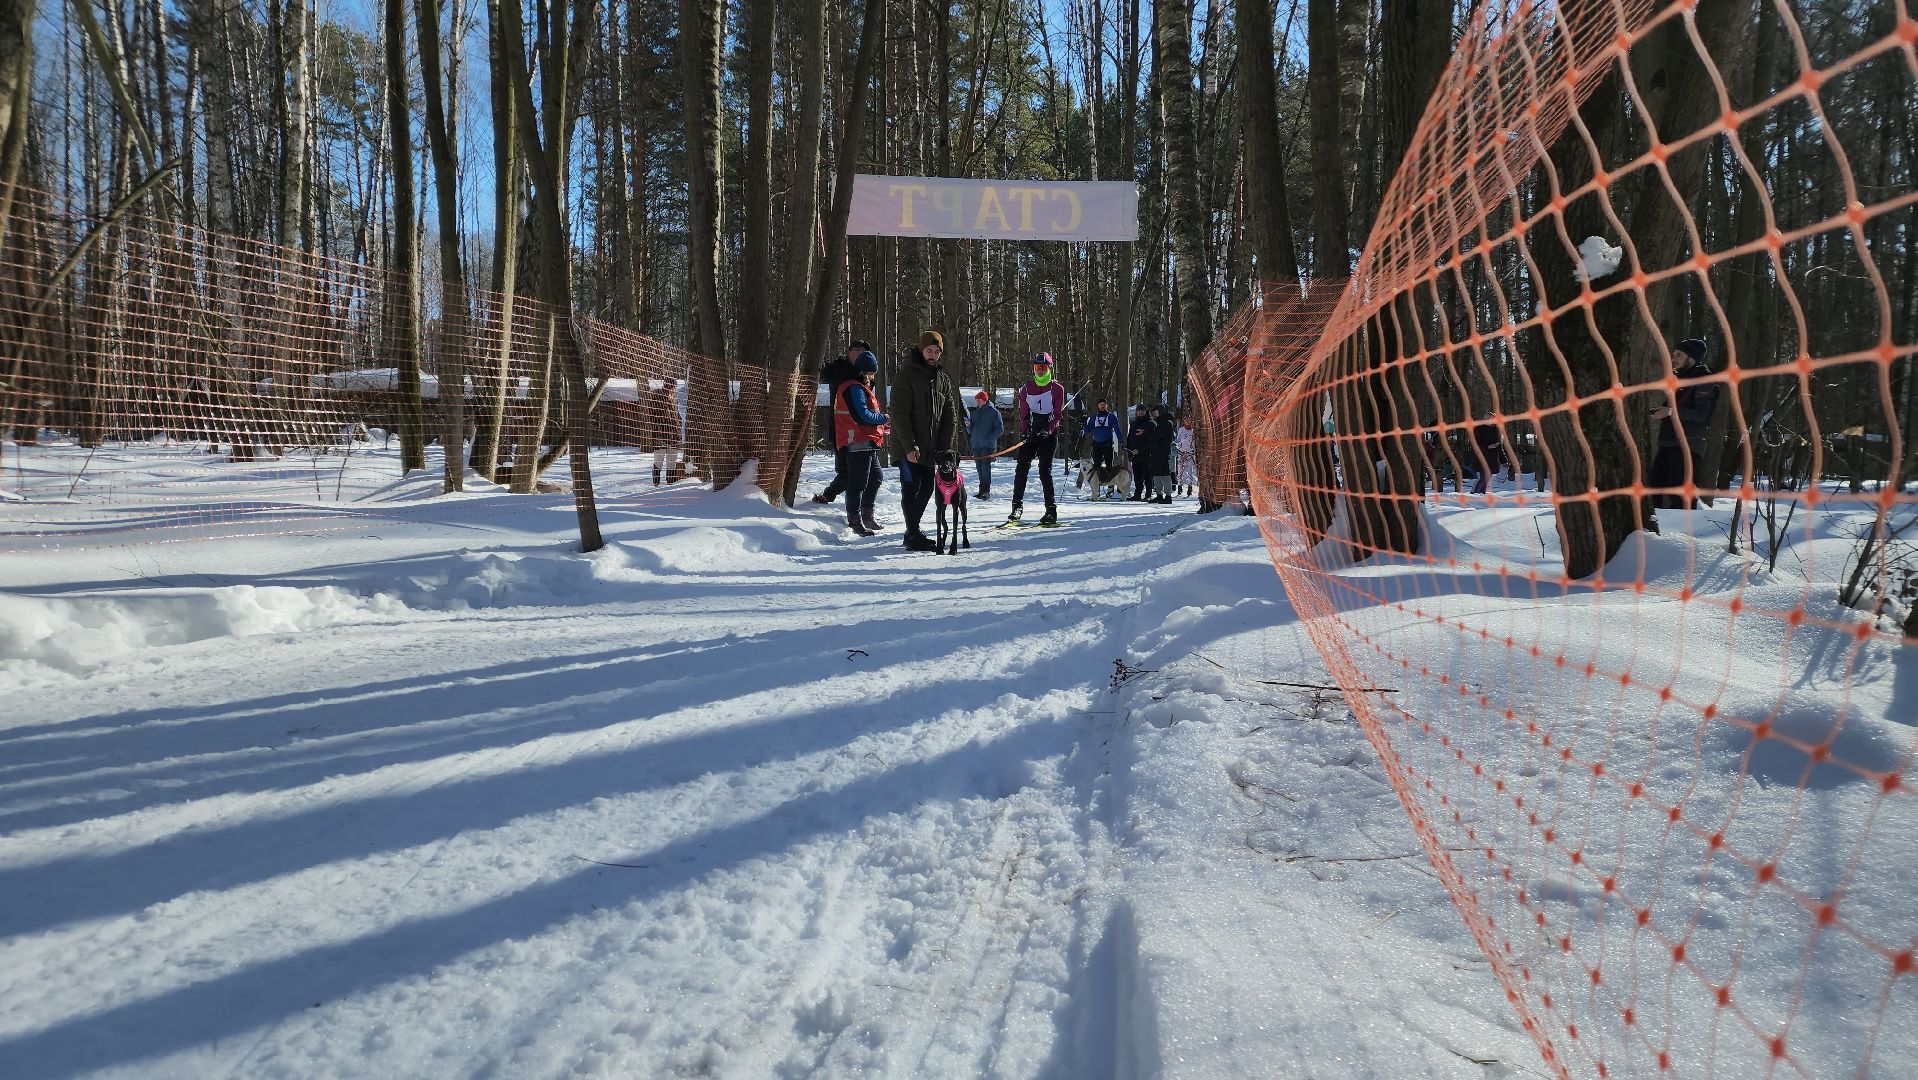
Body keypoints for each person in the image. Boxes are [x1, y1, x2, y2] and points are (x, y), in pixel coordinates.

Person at [891, 330, 965, 551]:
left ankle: (911, 531)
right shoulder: (906, 375)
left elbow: (950, 415)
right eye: (929, 350)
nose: (932, 355)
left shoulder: (942, 379)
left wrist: (944, 448)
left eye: (937, 351)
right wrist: (909, 446)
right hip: (906, 448)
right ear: (921, 350)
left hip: (930, 450)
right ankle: (913, 534)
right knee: (911, 488)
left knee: (926, 489)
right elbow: (899, 413)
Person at [1649, 337, 1721, 510]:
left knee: (1680, 494)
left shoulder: (1704, 381)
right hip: (1668, 442)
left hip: (1688, 445)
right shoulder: (1679, 379)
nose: (1673, 358)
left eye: (1679, 355)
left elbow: (1702, 415)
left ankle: (1681, 534)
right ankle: (1653, 530)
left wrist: (1670, 412)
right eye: (1674, 354)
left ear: (1692, 358)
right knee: (1653, 488)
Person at [833, 350, 889, 536]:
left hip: (866, 441)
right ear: (862, 372)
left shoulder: (858, 387)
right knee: (858, 483)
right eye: (870, 374)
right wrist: (883, 418)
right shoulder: (854, 388)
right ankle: (854, 520)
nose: (871, 378)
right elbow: (862, 415)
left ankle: (867, 515)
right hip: (856, 440)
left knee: (875, 477)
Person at [1006, 353, 1066, 524]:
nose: (1040, 371)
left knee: (1044, 470)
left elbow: (1057, 415)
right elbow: (1023, 415)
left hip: (1049, 434)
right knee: (1021, 468)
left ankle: (1051, 511)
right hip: (1031, 434)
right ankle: (1016, 507)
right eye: (1037, 368)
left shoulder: (1057, 389)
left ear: (1049, 369)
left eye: (1043, 368)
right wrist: (1025, 432)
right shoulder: (1026, 389)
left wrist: (1048, 430)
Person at [812, 339, 870, 504]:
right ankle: (830, 497)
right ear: (849, 352)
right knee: (846, 472)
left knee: (862, 473)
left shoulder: (864, 374)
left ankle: (857, 507)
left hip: (860, 431)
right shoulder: (840, 369)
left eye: (864, 352)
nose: (860, 354)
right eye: (857, 350)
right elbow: (823, 375)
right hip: (840, 428)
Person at [967, 390, 1003, 499]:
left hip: (987, 446)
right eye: (976, 400)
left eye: (979, 400)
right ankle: (981, 491)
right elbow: (971, 431)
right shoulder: (974, 413)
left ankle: (986, 491)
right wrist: (968, 426)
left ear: (984, 400)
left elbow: (1000, 429)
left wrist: (989, 439)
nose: (977, 402)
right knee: (979, 468)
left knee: (985, 468)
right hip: (976, 445)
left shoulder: (994, 412)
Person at [646, 377, 681, 485]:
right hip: (660, 435)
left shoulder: (672, 399)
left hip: (672, 435)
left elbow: (675, 419)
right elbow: (653, 416)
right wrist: (660, 430)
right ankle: (656, 483)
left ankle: (670, 482)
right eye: (673, 387)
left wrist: (677, 433)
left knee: (672, 459)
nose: (674, 389)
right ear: (669, 386)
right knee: (659, 459)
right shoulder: (658, 397)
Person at [1082, 400, 1121, 476]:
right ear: (1098, 406)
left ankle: (1110, 486)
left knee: (1109, 465)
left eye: (1104, 404)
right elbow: (1087, 430)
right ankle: (1098, 485)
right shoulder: (1094, 417)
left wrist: (1121, 441)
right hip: (1096, 445)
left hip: (1108, 444)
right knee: (1096, 466)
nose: (1102, 406)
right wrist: (1084, 424)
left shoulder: (1111, 417)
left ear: (1107, 406)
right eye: (1101, 404)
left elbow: (1117, 430)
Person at [1125, 405, 1154, 501]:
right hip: (1134, 455)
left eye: (1142, 410)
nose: (1140, 412)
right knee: (1137, 476)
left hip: (1146, 454)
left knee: (1147, 475)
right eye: (1139, 411)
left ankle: (1148, 494)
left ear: (1146, 411)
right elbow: (1130, 438)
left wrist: (1139, 449)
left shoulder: (1151, 423)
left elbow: (1151, 440)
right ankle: (1137, 494)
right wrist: (1129, 452)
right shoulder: (1133, 424)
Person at [1470, 420, 1505, 496]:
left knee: (1487, 479)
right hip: (1481, 458)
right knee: (1482, 478)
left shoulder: (1497, 431)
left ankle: (1481, 495)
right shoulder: (1479, 429)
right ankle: (1474, 494)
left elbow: (1500, 447)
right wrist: (1487, 447)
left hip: (1492, 460)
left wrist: (1504, 460)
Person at [1149, 406, 1176, 503]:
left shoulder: (1167, 423)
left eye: (1155, 412)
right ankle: (1159, 494)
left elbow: (1157, 436)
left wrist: (1149, 433)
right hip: (1156, 452)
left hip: (1163, 452)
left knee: (1164, 474)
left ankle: (1168, 496)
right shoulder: (1159, 423)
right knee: (1156, 474)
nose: (1154, 415)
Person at [1174, 415, 1197, 497]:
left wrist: (1191, 450)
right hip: (1181, 452)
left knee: (1189, 470)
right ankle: (1179, 487)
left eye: (1189, 420)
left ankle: (1190, 487)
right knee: (1180, 470)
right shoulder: (1181, 430)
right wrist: (1178, 445)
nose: (1187, 421)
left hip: (1189, 453)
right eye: (1186, 420)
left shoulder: (1193, 431)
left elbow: (1194, 443)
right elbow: (1178, 440)